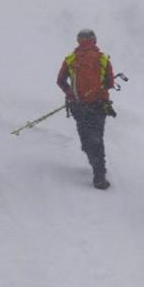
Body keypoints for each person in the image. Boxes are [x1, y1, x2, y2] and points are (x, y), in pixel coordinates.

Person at [56, 29, 117, 190]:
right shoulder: (103, 59)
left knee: (85, 136)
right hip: (98, 105)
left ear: (79, 41)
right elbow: (110, 82)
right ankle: (99, 175)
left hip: (78, 106)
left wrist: (71, 95)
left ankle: (92, 159)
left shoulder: (70, 59)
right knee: (97, 137)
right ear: (93, 40)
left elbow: (60, 80)